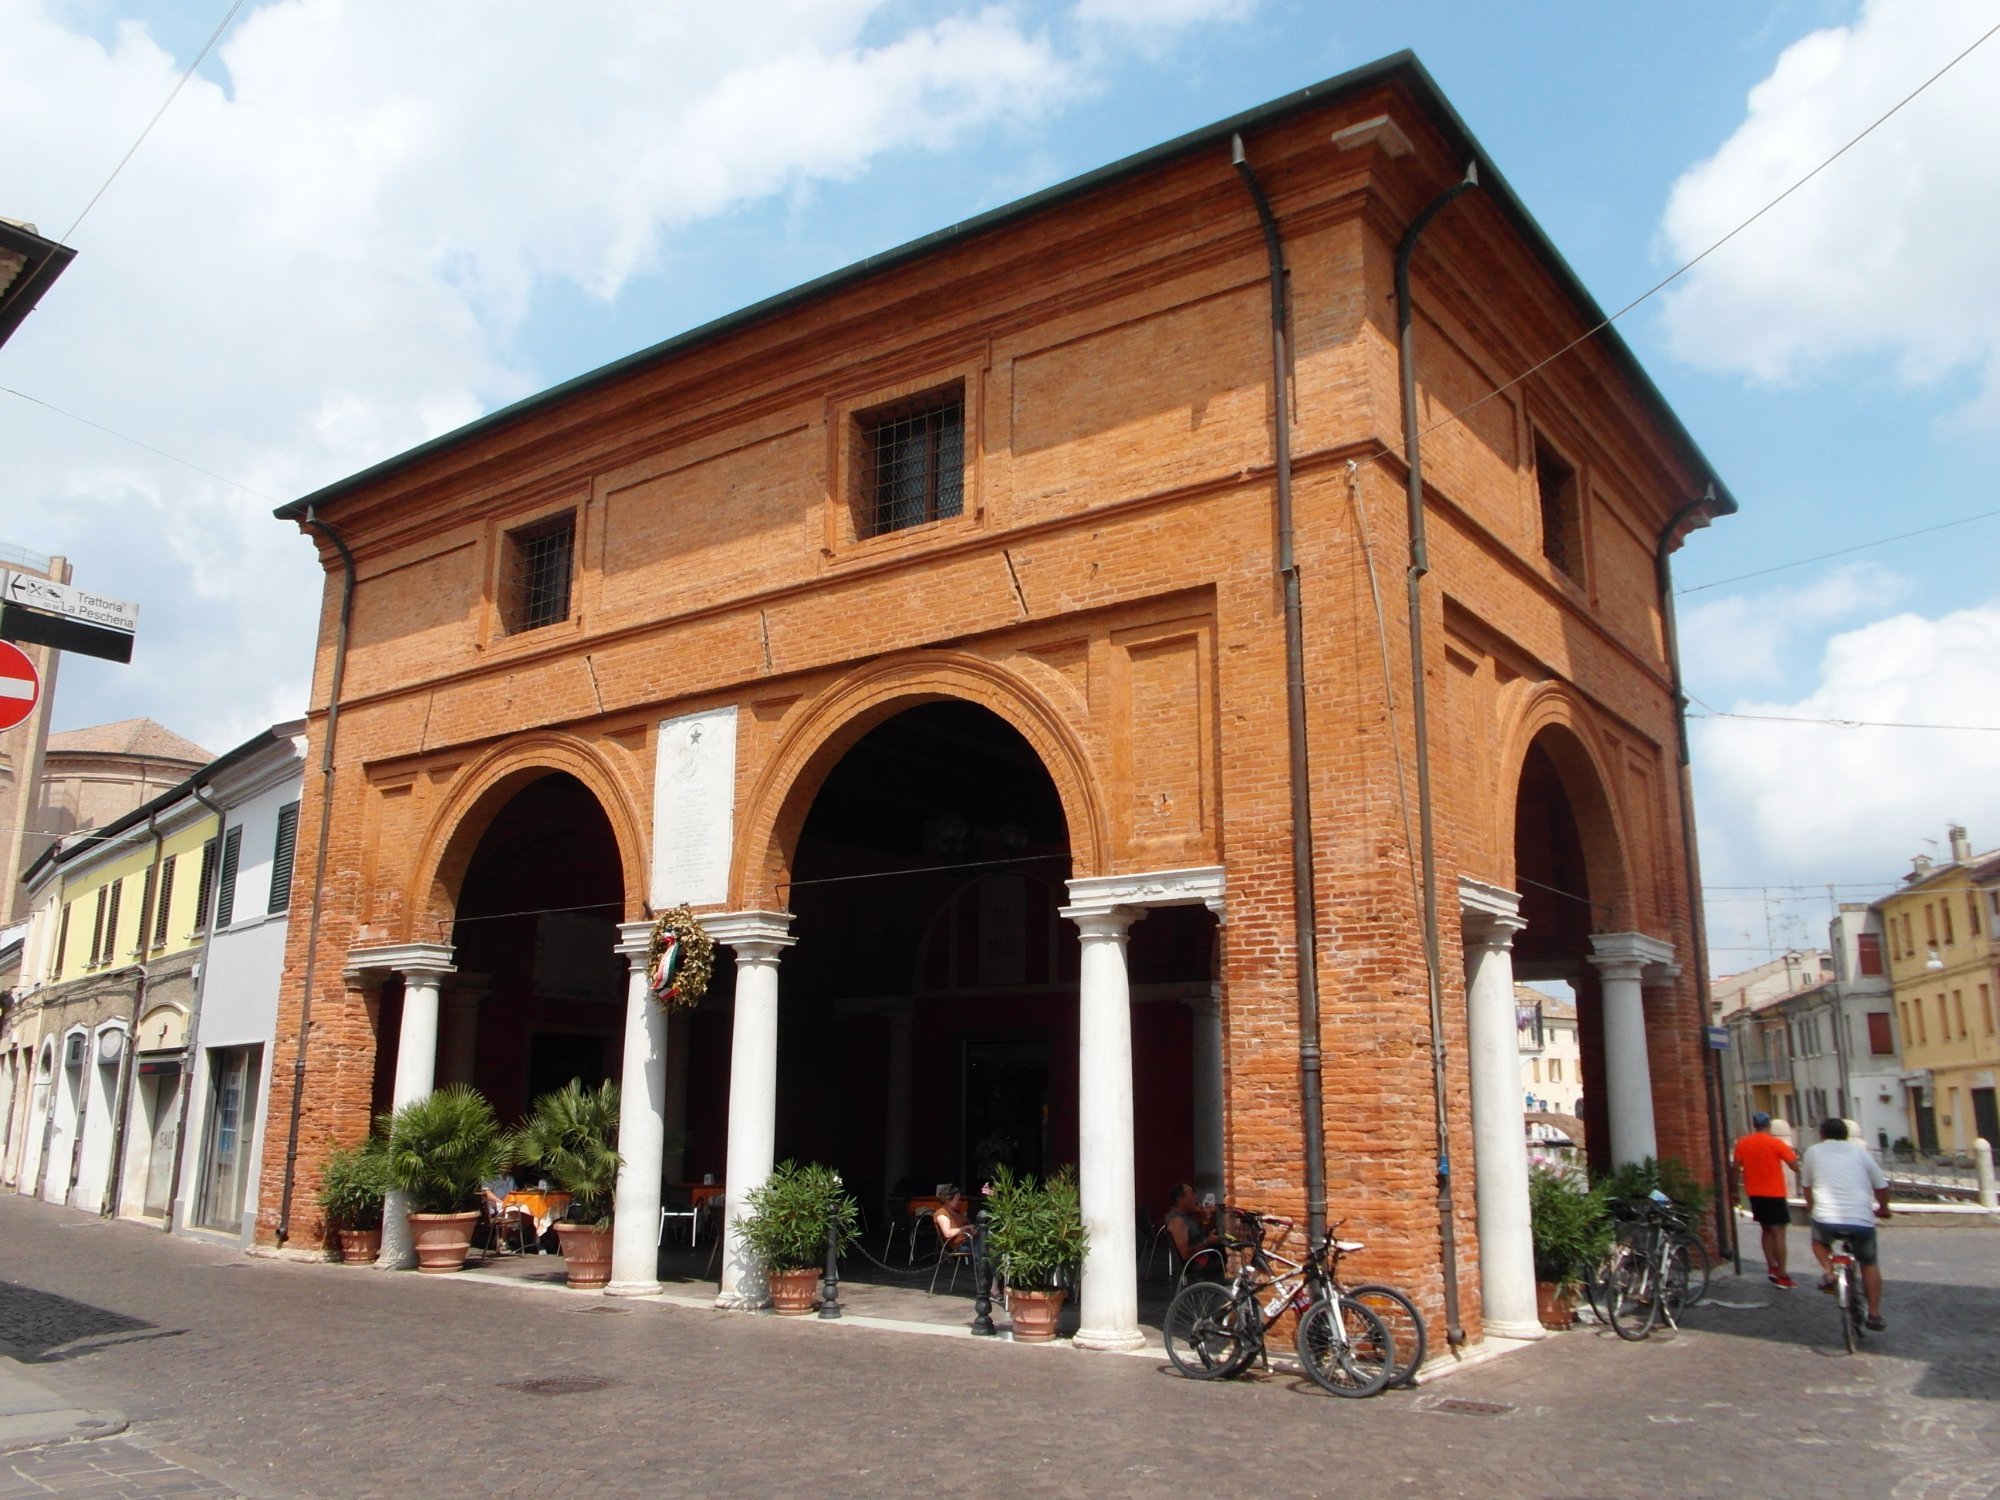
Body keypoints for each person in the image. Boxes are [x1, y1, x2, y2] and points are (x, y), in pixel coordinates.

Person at [1799, 1117, 1892, 1331]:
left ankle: (1829, 1271)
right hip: (1860, 1218)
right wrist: (1884, 1208)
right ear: (1846, 1136)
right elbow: (1881, 1186)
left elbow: (1807, 1186)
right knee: (1869, 1262)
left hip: (1826, 1218)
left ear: (1821, 1135)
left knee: (1818, 1241)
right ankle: (1874, 1314)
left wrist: (1811, 1206)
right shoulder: (1860, 1153)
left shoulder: (1813, 1152)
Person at [1733, 1111, 1800, 1288]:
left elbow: (1735, 1168)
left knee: (1765, 1229)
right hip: (1775, 1193)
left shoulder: (1743, 1143)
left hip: (1754, 1193)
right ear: (1768, 1125)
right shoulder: (1775, 1143)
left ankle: (1771, 1266)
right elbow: (1794, 1166)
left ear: (1754, 1125)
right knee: (1779, 1232)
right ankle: (1783, 1274)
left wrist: (1734, 1191)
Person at [1163, 1181, 1220, 1267]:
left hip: (1204, 1255)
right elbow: (1186, 1255)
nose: (1195, 1197)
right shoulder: (1177, 1222)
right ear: (1181, 1199)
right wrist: (1207, 1242)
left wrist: (1204, 1220)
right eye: (1192, 1194)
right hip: (1198, 1264)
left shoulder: (1186, 1216)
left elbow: (1198, 1237)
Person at [933, 1186, 976, 1251]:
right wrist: (965, 1228)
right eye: (958, 1200)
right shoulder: (942, 1213)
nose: (960, 1202)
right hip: (961, 1244)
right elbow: (947, 1233)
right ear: (948, 1200)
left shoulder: (958, 1213)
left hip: (971, 1240)